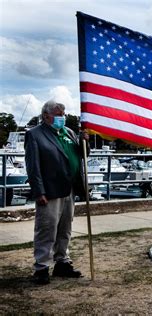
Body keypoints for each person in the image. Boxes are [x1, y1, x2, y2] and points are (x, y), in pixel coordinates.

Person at [25, 101, 89, 285]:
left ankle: (62, 262)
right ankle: (42, 267)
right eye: (58, 114)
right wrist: (39, 192)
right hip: (50, 190)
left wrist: (84, 141)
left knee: (65, 228)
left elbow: (83, 155)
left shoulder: (68, 132)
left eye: (64, 113)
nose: (63, 116)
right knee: (47, 229)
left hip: (69, 188)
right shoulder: (35, 135)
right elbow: (33, 167)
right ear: (46, 116)